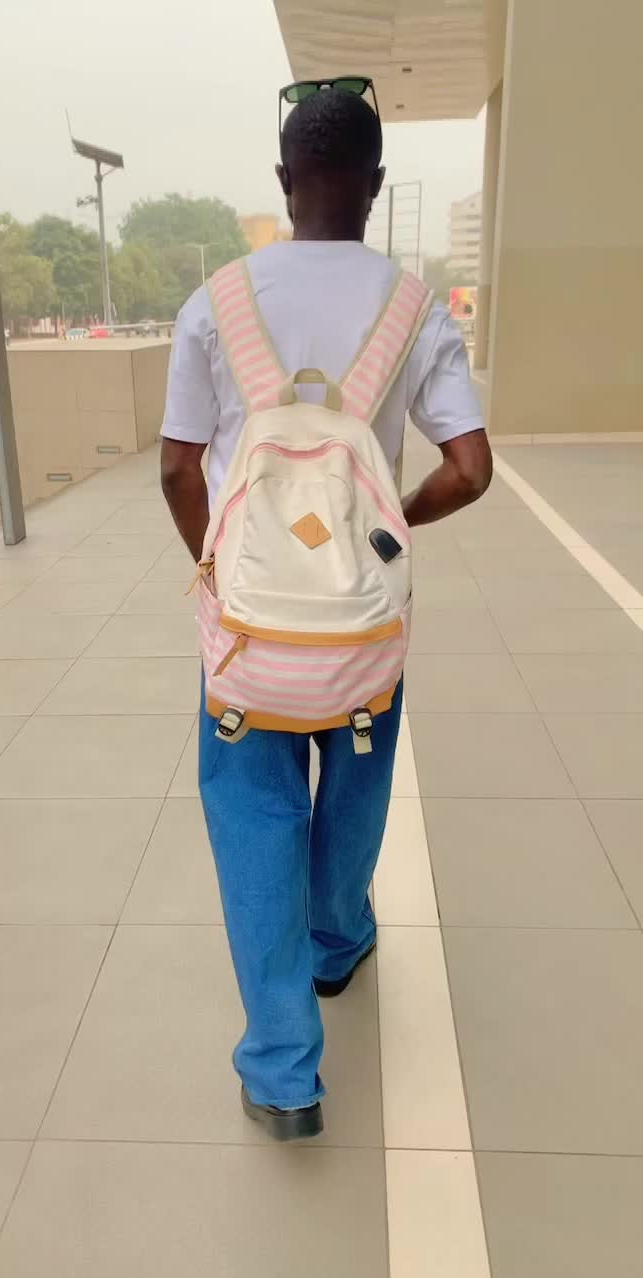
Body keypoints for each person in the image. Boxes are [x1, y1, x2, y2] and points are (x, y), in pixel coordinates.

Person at [160, 84, 492, 1141]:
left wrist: (218, 568)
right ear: (375, 185)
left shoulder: (216, 302)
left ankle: (283, 1074)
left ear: (284, 179)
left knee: (254, 819)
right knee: (354, 793)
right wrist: (390, 528)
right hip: (358, 628)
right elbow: (471, 468)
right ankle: (338, 946)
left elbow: (176, 468)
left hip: (252, 633)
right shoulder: (414, 307)